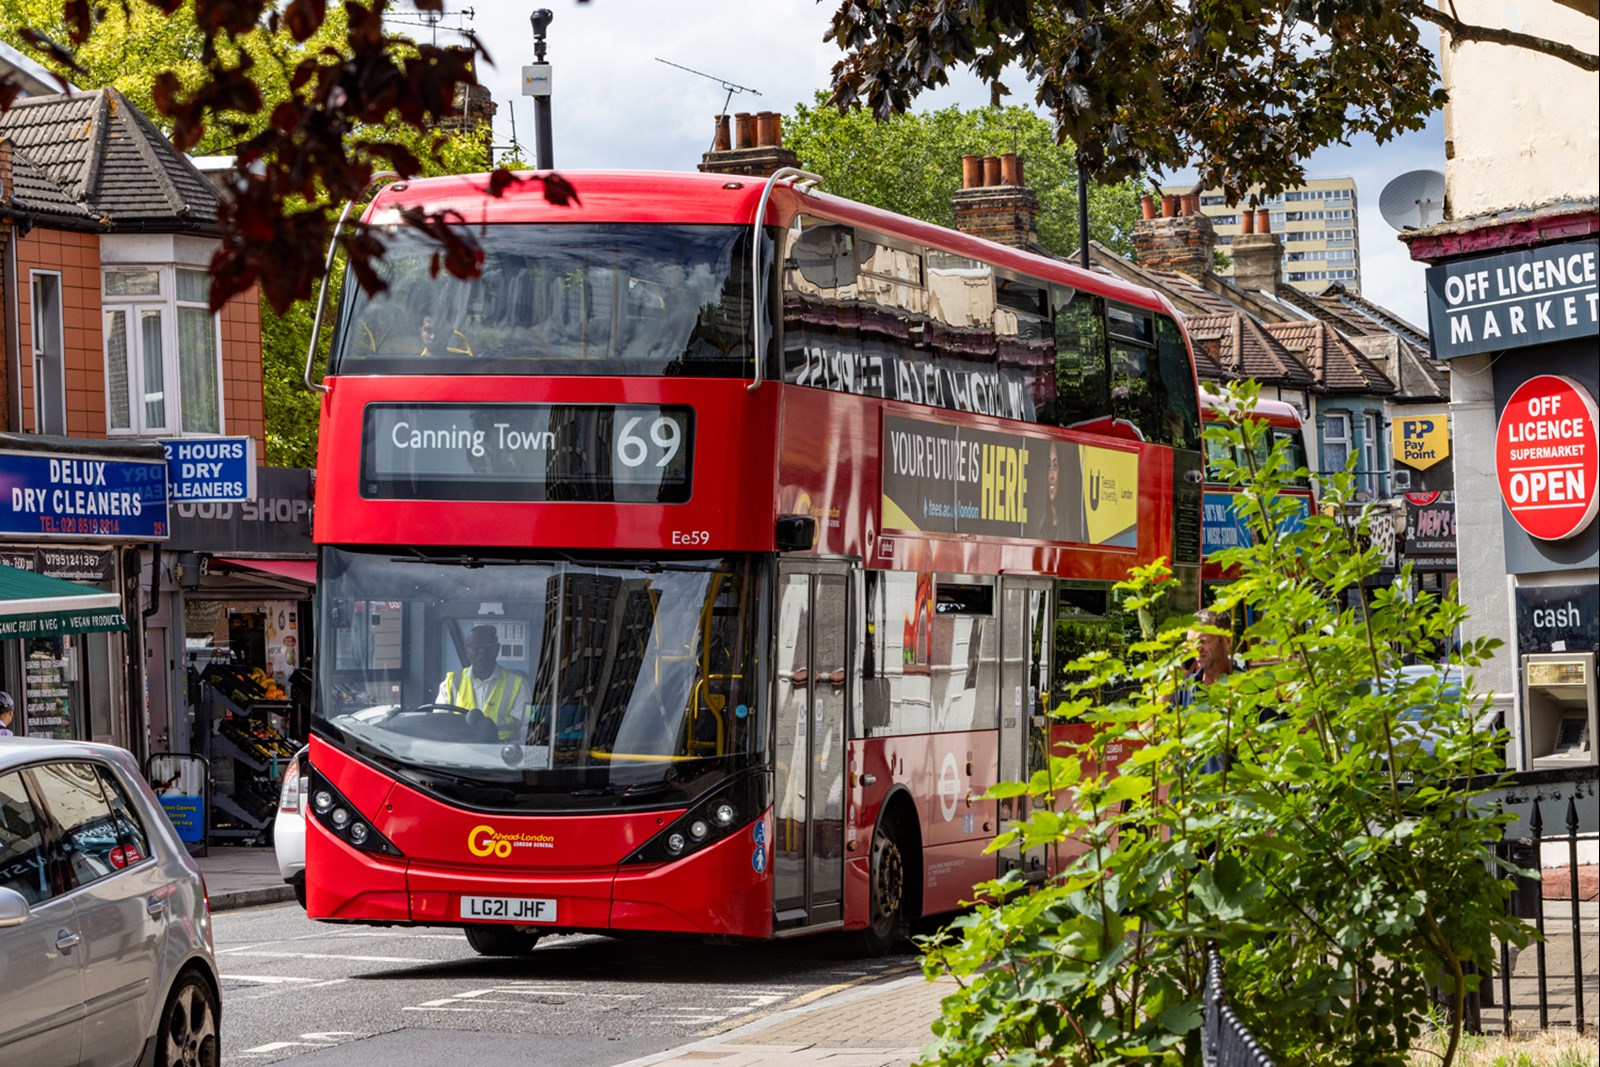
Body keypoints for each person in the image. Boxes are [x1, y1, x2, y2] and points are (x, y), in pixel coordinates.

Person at [436, 625, 530, 741]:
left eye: (488, 647)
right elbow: (439, 722)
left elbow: (528, 726)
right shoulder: (451, 682)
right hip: (461, 749)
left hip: (501, 750)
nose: (482, 652)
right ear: (466, 650)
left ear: (497, 649)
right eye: (476, 648)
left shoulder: (519, 684)